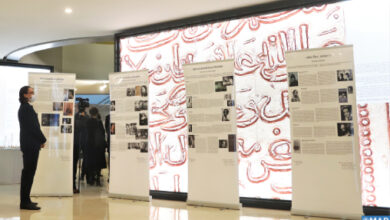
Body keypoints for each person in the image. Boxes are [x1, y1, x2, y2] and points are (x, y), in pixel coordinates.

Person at [18, 86, 46, 210]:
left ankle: (26, 199)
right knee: (28, 173)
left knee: (29, 173)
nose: (33, 94)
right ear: (25, 95)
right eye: (31, 93)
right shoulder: (26, 109)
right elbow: (33, 127)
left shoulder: (26, 108)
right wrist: (43, 139)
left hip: (30, 144)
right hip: (30, 145)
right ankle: (24, 202)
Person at [86, 107, 107, 186]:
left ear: (90, 113)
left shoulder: (87, 122)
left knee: (91, 162)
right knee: (98, 162)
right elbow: (102, 132)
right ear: (97, 113)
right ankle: (98, 178)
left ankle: (91, 178)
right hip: (98, 145)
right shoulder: (99, 122)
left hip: (90, 145)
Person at [73, 108, 88, 193]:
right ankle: (73, 184)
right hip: (77, 143)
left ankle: (82, 176)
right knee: (74, 163)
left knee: (83, 161)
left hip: (82, 142)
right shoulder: (76, 117)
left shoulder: (85, 117)